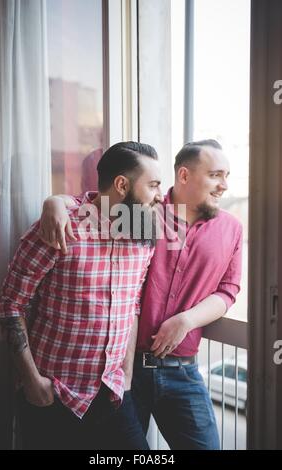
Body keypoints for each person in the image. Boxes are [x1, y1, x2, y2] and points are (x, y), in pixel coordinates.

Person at [39, 139, 242, 450]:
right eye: (216, 175)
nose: (224, 185)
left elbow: (228, 290)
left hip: (182, 372)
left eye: (227, 175)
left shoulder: (231, 228)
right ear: (184, 176)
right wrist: (55, 201)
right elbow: (95, 205)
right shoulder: (144, 213)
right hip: (125, 373)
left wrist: (186, 321)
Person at [0, 141, 164, 450]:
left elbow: (132, 305)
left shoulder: (144, 236)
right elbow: (10, 304)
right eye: (153, 185)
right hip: (54, 396)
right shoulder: (58, 229)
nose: (160, 195)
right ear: (122, 185)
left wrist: (126, 375)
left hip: (114, 394)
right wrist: (32, 382)